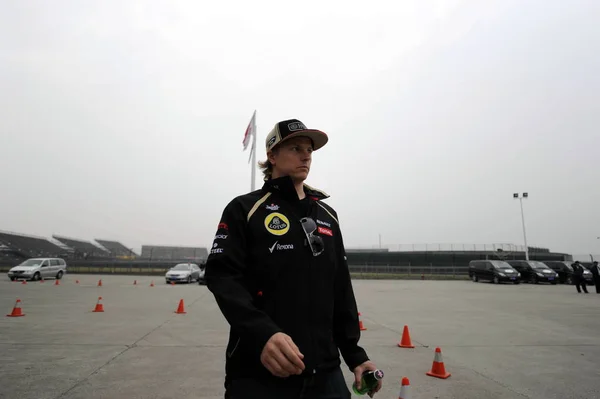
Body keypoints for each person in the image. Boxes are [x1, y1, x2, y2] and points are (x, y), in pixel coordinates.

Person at [205, 119, 382, 399]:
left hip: (326, 373)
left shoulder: (327, 215)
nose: (306, 155)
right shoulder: (245, 209)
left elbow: (340, 289)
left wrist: (355, 355)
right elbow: (221, 276)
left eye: (309, 149)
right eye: (296, 148)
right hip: (259, 372)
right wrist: (263, 334)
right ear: (272, 156)